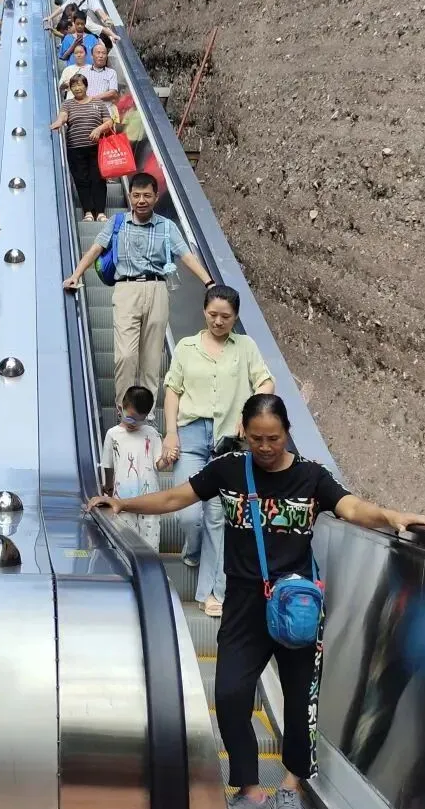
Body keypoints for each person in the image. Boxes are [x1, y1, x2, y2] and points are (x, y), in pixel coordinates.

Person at [88, 393, 425, 809]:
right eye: (257, 438)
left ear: (287, 432)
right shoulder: (230, 469)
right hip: (243, 603)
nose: (266, 447)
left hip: (297, 605)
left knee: (300, 699)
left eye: (274, 438)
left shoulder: (311, 476)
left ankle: (291, 788)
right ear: (243, 431)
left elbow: (350, 507)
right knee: (230, 694)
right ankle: (251, 792)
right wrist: (123, 504)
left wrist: (389, 515)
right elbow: (176, 498)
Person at [161, 285, 275, 617]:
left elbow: (266, 382)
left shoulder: (245, 347)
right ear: (204, 311)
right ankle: (193, 548)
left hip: (228, 440)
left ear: (235, 317)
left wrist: (249, 414)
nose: (218, 321)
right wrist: (171, 433)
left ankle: (212, 592)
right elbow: (172, 390)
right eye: (213, 314)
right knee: (189, 513)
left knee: (218, 517)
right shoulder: (186, 347)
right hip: (191, 435)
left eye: (226, 316)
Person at [63, 173, 213, 402]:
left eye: (147, 196)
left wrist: (209, 283)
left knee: (152, 358)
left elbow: (187, 256)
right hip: (126, 289)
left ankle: (147, 412)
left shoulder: (167, 226)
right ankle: (125, 408)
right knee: (125, 355)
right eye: (136, 195)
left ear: (155, 197)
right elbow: (95, 249)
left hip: (157, 288)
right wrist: (75, 275)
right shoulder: (117, 222)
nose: (141, 200)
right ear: (130, 196)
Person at [99, 386, 162, 547]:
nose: (134, 424)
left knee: (150, 546)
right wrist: (108, 487)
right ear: (120, 408)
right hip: (123, 500)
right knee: (125, 545)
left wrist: (167, 460)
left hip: (150, 501)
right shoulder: (113, 434)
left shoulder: (152, 433)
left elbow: (159, 463)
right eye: (130, 418)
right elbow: (108, 465)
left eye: (140, 420)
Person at [49, 74, 115, 221]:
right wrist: (58, 122)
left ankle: (100, 212)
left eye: (79, 85)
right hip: (75, 149)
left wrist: (98, 129)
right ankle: (88, 212)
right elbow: (63, 116)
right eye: (74, 86)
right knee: (81, 180)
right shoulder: (68, 104)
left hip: (97, 148)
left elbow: (109, 122)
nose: (77, 88)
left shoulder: (98, 103)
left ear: (86, 86)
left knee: (98, 179)